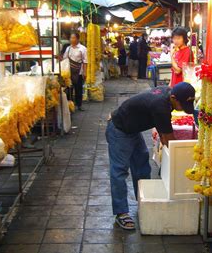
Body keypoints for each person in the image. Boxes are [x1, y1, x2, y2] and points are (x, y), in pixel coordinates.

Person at [107, 82, 196, 230]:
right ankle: (121, 212)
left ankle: (144, 201)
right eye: (182, 106)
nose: (183, 110)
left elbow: (164, 134)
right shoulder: (160, 106)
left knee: (142, 165)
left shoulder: (168, 93)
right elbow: (169, 139)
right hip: (119, 129)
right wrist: (179, 162)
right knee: (119, 171)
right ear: (174, 98)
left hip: (133, 129)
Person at [61, 31, 87, 111]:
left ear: (77, 39)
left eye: (73, 38)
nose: (72, 40)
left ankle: (79, 105)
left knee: (78, 89)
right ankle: (70, 105)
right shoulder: (68, 48)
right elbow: (65, 58)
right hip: (69, 72)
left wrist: (85, 72)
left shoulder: (82, 49)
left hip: (78, 72)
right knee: (69, 89)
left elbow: (85, 61)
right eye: (71, 38)